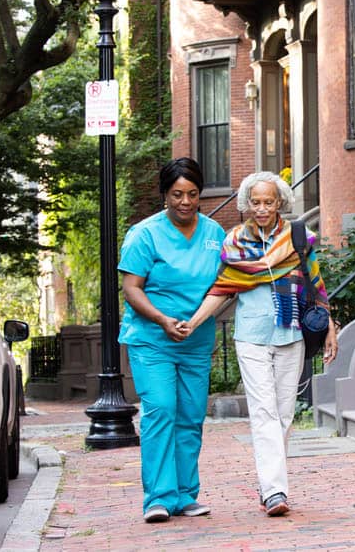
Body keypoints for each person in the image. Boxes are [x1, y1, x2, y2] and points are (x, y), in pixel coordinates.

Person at [181, 171, 337, 517]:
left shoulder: (300, 238)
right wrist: (193, 323)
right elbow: (222, 289)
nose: (262, 208)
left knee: (283, 414)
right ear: (246, 204)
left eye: (269, 202)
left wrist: (330, 326)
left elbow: (317, 286)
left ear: (280, 202)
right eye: (256, 202)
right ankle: (275, 491)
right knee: (264, 412)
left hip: (292, 332)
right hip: (251, 336)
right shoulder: (234, 241)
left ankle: (270, 482)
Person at [118, 158, 226, 523]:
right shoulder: (144, 234)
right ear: (164, 195)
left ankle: (185, 494)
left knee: (191, 416)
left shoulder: (214, 234)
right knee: (162, 409)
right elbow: (131, 289)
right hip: (152, 339)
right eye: (177, 194)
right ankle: (159, 498)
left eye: (192, 194)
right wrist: (163, 320)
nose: (185, 201)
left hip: (196, 339)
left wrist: (196, 321)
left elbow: (224, 286)